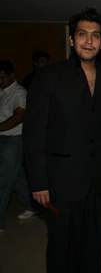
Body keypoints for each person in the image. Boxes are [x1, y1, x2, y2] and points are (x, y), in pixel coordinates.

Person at [23, 8, 101, 272]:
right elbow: (33, 133)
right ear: (71, 39)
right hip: (59, 181)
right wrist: (38, 181)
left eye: (95, 36)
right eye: (82, 34)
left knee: (93, 245)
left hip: (97, 181)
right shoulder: (48, 77)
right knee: (60, 246)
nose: (89, 41)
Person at [0, 60, 30, 232]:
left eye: (3, 77)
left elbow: (19, 117)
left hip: (13, 140)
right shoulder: (2, 92)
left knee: (3, 181)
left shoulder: (19, 93)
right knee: (17, 177)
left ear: (12, 75)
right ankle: (32, 205)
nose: (0, 80)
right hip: (3, 139)